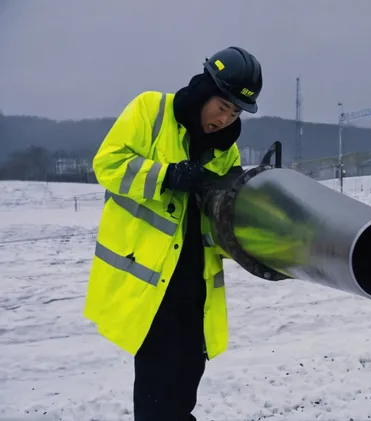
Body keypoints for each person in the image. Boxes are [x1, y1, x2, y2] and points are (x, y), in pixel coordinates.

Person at [84, 46, 263, 420]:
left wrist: (253, 239)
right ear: (203, 90)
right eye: (222, 106)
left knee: (186, 379)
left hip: (194, 283)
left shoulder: (224, 151)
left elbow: (220, 216)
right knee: (155, 387)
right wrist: (167, 176)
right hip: (150, 281)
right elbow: (108, 164)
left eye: (234, 113)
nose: (225, 119)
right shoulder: (150, 110)